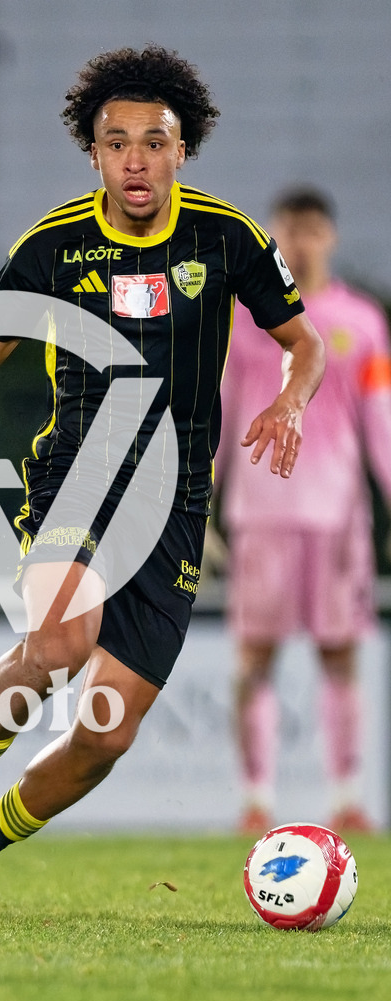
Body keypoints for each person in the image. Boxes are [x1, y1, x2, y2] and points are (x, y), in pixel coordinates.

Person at [0, 46, 326, 927]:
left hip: (177, 503)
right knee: (62, 643)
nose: (135, 158)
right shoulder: (55, 244)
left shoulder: (227, 238)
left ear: (185, 150)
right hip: (78, 473)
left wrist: (292, 401)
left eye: (154, 141)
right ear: (93, 154)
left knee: (105, 736)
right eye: (116, 142)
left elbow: (307, 343)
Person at [212, 186, 391, 835]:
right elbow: (220, 416)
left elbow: (382, 424)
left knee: (340, 657)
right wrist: (199, 507)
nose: (302, 241)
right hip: (260, 516)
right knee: (253, 659)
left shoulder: (363, 322)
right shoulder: (240, 319)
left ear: (331, 238)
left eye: (313, 230)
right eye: (290, 228)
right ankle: (256, 799)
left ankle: (347, 796)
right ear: (272, 235)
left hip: (338, 518)